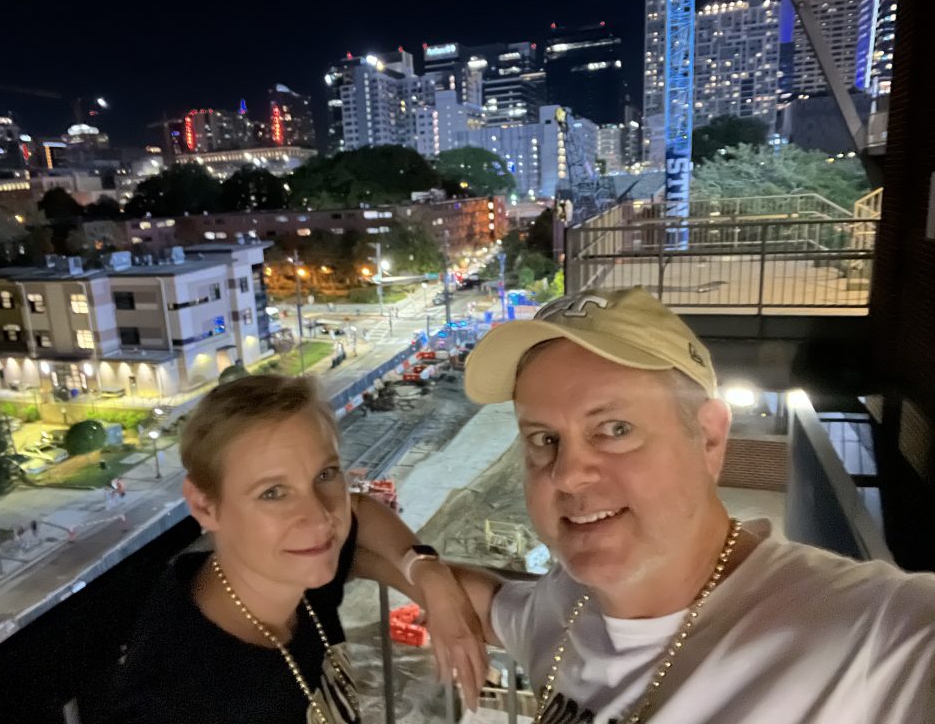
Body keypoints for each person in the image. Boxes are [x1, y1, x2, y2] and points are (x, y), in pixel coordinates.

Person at [452, 287, 935, 723]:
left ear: (708, 438)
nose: (568, 473)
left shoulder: (872, 637)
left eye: (616, 429)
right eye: (544, 438)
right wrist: (421, 566)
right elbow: (480, 603)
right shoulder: (564, 605)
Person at [112, 374, 486, 724]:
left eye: (325, 475)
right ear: (205, 507)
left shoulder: (285, 575)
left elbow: (359, 510)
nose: (320, 518)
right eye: (272, 493)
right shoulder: (177, 699)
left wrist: (426, 571)